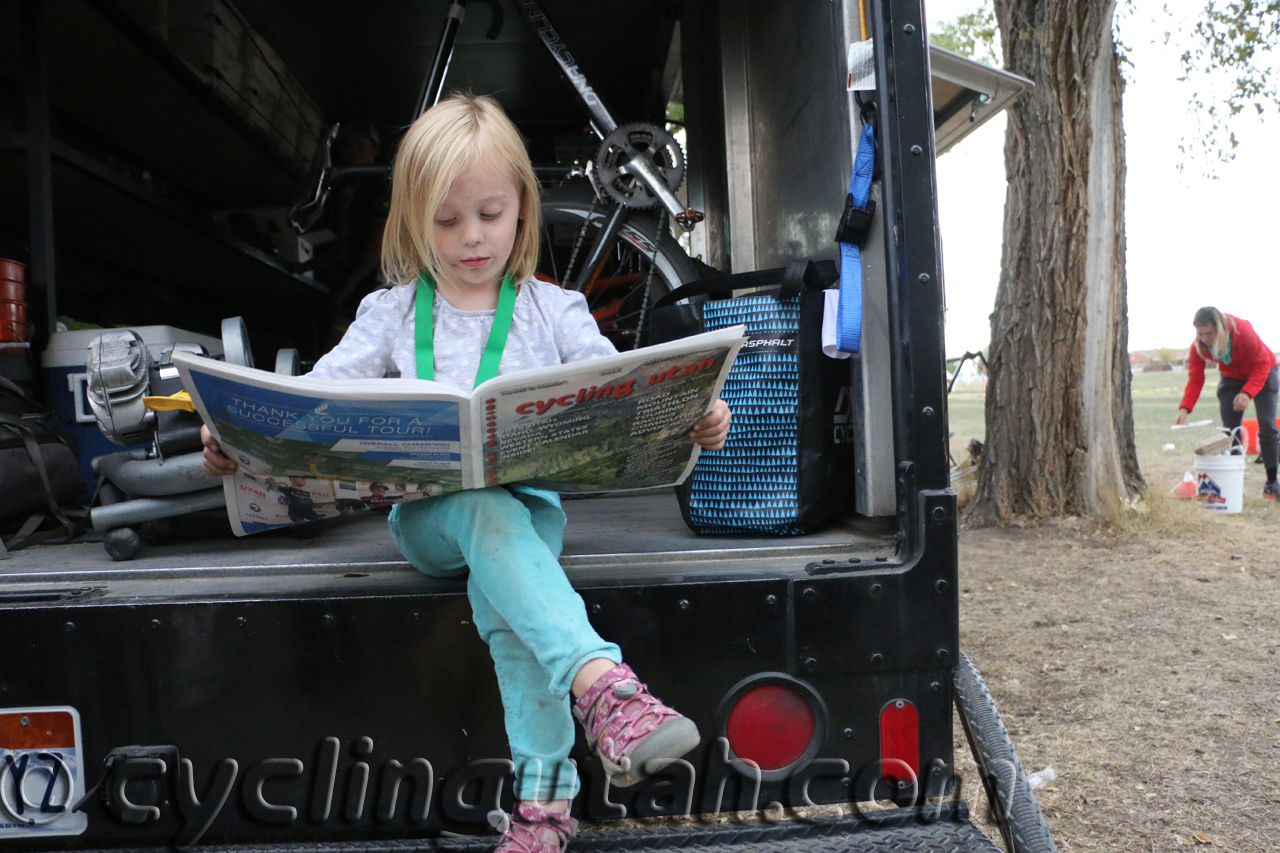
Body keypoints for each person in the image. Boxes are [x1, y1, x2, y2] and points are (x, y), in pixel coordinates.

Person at [201, 94, 731, 852]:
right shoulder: (388, 313)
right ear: (413, 219)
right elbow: (307, 404)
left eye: (489, 212)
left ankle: (543, 815)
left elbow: (629, 396)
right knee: (482, 514)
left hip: (531, 514)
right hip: (430, 520)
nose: (472, 236)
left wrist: (699, 417)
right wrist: (237, 440)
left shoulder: (555, 310)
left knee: (511, 611)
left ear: (523, 205)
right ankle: (604, 687)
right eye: (446, 221)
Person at [1175, 306, 1280, 499]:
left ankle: (1272, 483)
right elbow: (1196, 378)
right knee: (1230, 431)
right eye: (1200, 333)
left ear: (1221, 328)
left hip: (1264, 372)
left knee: (1267, 425)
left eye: (1210, 333)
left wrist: (1247, 393)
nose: (1205, 338)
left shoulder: (1242, 331)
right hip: (1231, 377)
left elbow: (1262, 363)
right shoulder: (1199, 346)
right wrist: (1185, 408)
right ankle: (1234, 483)